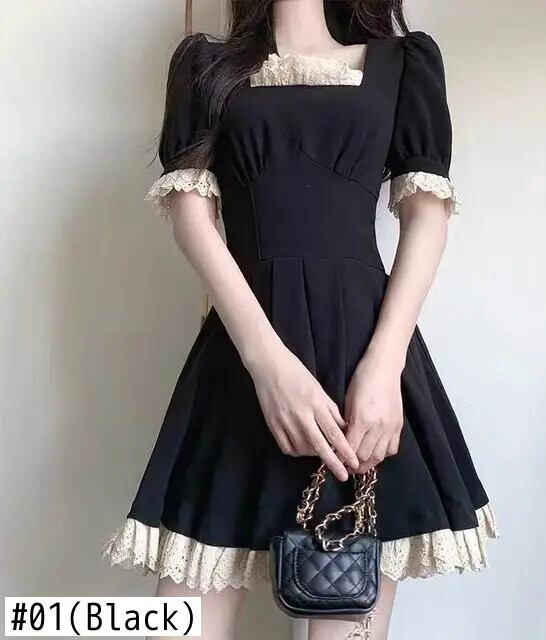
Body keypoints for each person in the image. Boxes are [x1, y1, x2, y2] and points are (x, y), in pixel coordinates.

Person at [104, 1, 498, 638]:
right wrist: (267, 366)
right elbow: (191, 218)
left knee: (344, 604)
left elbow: (426, 217)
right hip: (244, 361)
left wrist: (384, 367)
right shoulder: (204, 67)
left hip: (362, 365)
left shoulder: (404, 64)